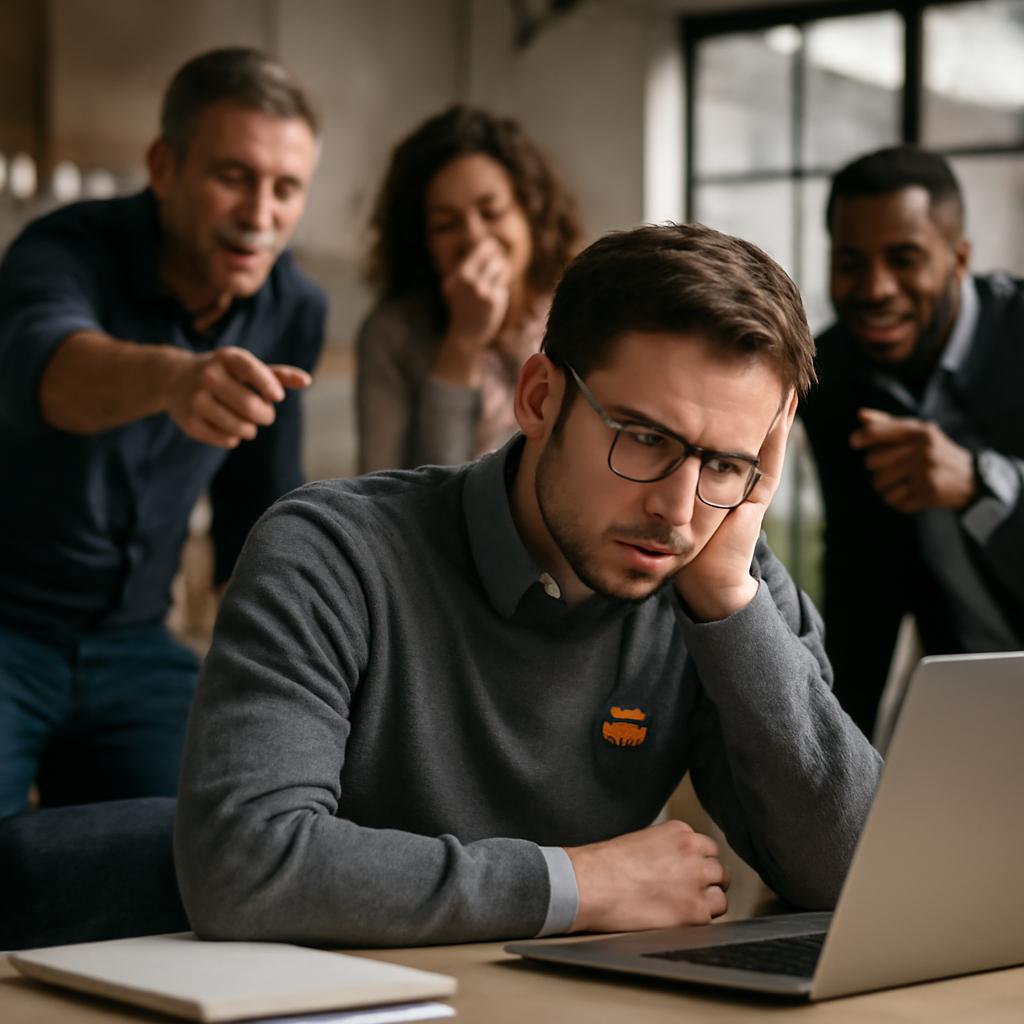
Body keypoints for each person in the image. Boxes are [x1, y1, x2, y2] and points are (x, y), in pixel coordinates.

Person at [175, 223, 881, 947]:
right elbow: (243, 867)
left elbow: (861, 881)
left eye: (726, 465)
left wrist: (731, 605)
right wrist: (579, 884)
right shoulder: (330, 554)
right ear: (540, 398)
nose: (677, 509)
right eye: (643, 437)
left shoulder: (720, 575)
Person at [0, 47, 325, 819]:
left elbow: (260, 508)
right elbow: (46, 371)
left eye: (286, 188)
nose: (260, 215)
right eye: (233, 177)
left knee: (215, 839)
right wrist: (176, 380)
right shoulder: (61, 250)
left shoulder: (292, 306)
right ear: (163, 165)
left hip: (137, 646)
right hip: (8, 625)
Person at [801, 145, 1024, 739]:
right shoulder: (831, 376)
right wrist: (838, 765)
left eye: (905, 258)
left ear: (959, 259)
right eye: (850, 262)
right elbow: (859, 578)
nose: (875, 289)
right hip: (967, 694)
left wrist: (982, 485)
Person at [356, 104, 582, 472]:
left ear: (531, 212)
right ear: (422, 242)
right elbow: (385, 491)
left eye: (491, 213)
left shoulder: (580, 313)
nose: (475, 237)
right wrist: (462, 343)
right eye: (446, 225)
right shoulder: (392, 334)